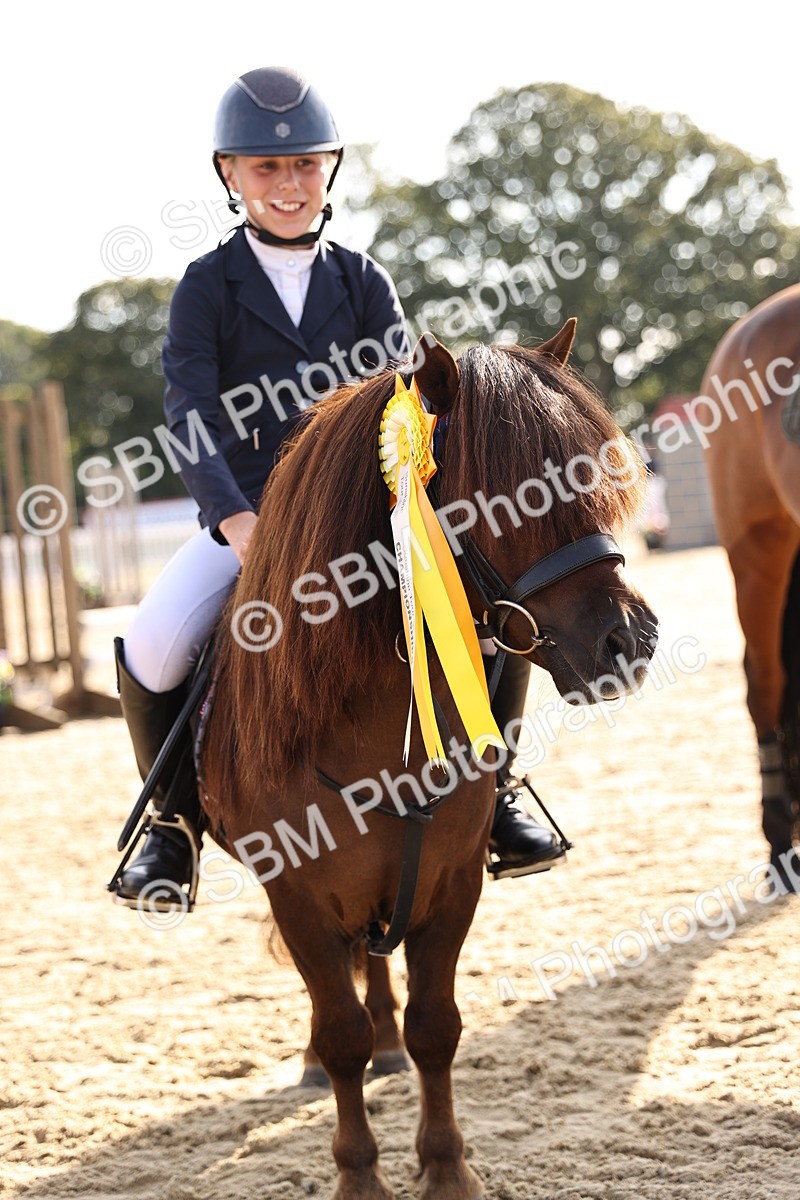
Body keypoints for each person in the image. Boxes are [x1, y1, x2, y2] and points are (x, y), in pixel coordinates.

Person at [111, 67, 564, 911]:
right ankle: (169, 832)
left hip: (362, 520)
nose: (288, 184)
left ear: (330, 170)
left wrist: (413, 499)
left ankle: (497, 794)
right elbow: (190, 413)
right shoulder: (206, 289)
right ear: (230, 176)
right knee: (153, 643)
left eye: (305, 166)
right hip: (247, 522)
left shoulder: (362, 281)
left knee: (491, 628)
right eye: (266, 169)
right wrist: (236, 518)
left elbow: (403, 399)